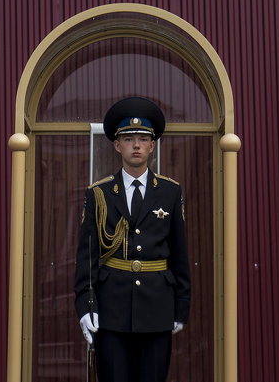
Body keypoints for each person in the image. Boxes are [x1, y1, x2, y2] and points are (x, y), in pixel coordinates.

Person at [74, 96, 191, 382]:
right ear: (116, 145)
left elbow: (179, 254)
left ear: (153, 145)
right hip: (112, 309)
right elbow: (87, 256)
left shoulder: (169, 192)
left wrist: (181, 306)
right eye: (129, 139)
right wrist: (86, 305)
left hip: (157, 307)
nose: (136, 145)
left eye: (143, 138)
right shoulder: (98, 194)